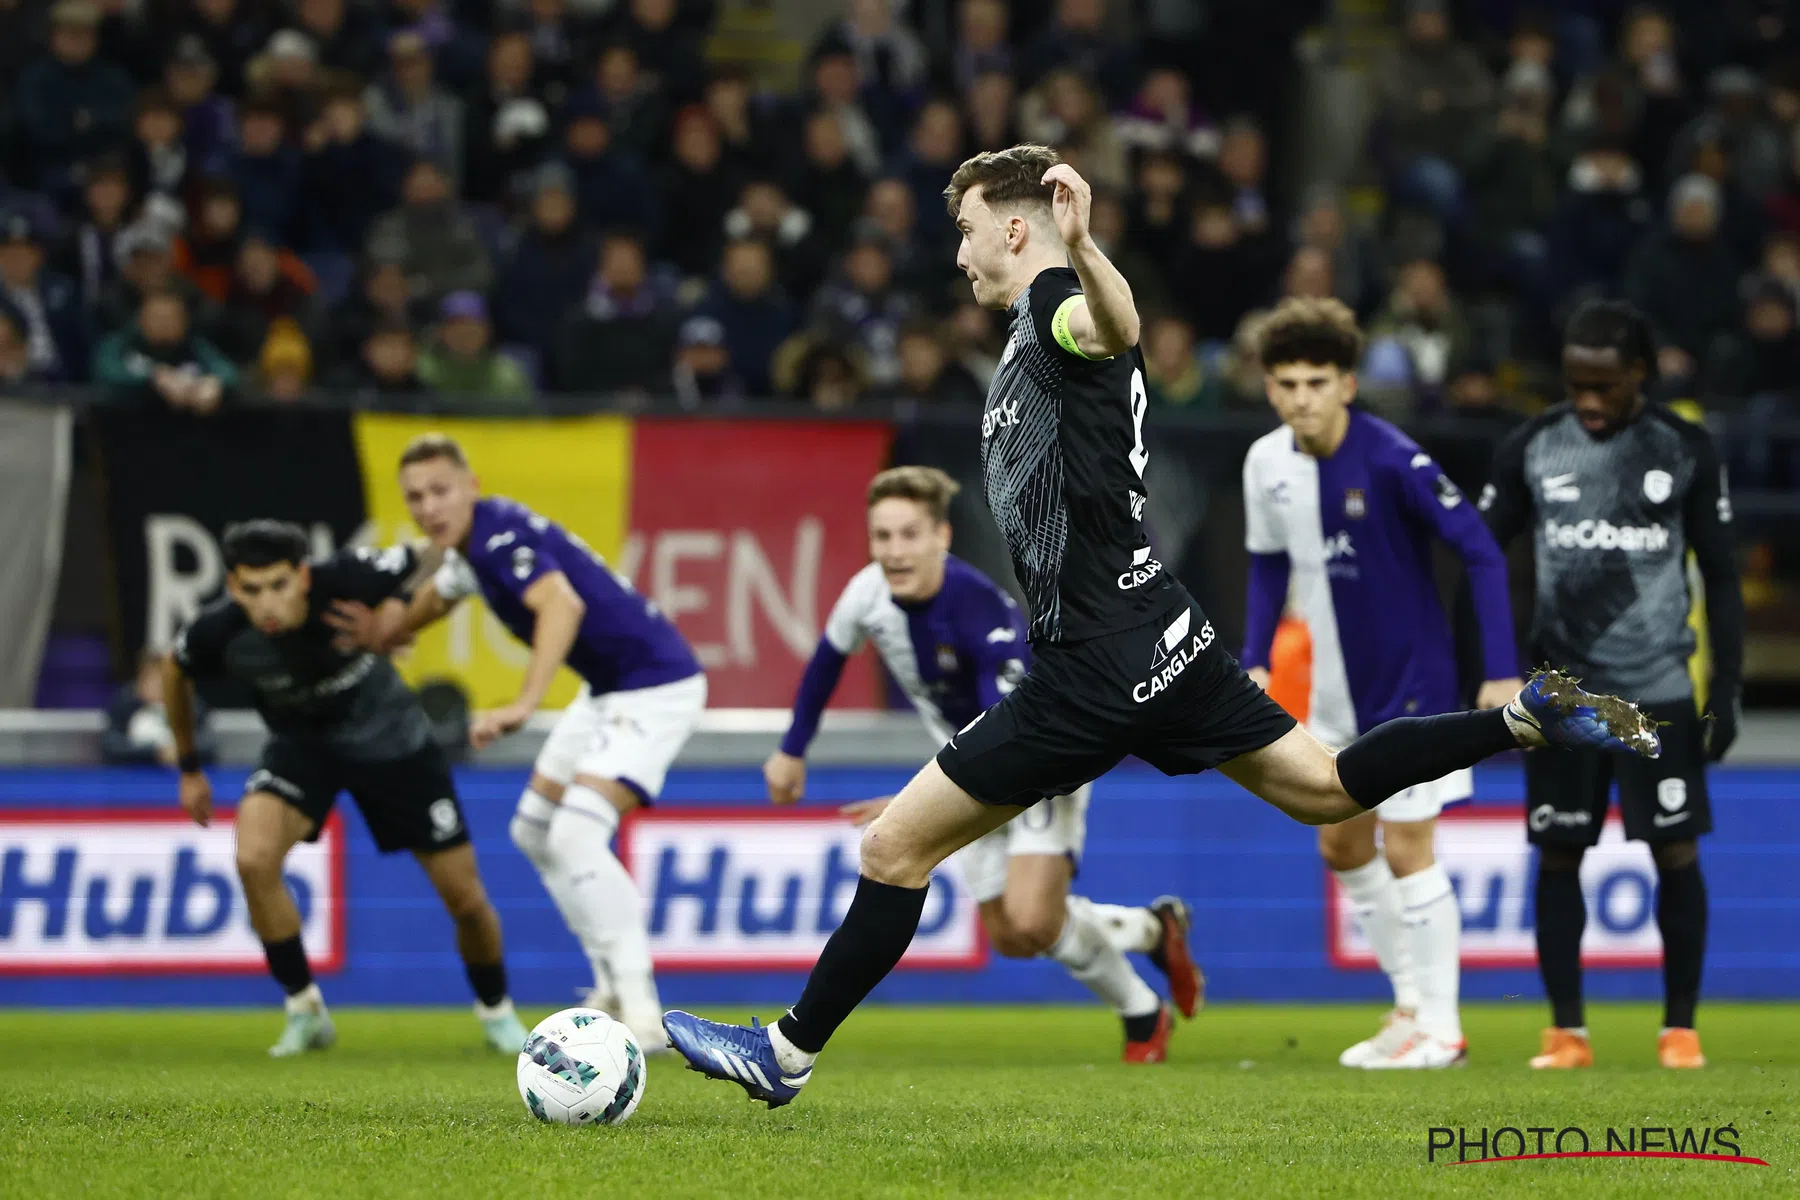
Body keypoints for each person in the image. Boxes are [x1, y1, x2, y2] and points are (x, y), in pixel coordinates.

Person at [661, 144, 1663, 1108]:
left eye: (966, 230)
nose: (958, 252)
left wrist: (1086, 246)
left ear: (1016, 228)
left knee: (892, 851)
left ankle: (784, 1054)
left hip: (1093, 661)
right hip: (1159, 631)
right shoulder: (1026, 328)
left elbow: (1114, 324)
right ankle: (1525, 721)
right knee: (1323, 789)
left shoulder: (1060, 304)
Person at [766, 466, 1202, 1062]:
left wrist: (917, 800)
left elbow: (1005, 726)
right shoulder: (866, 593)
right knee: (1012, 935)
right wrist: (792, 749)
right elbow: (824, 664)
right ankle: (1151, 929)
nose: (894, 552)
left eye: (909, 534)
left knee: (1034, 919)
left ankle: (1142, 1014)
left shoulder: (980, 613)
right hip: (965, 766)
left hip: (1041, 760)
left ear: (941, 537)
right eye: (883, 536)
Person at [331, 435, 706, 1051]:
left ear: (471, 485)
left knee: (575, 834)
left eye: (439, 491)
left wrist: (526, 701)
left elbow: (562, 604)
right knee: (533, 831)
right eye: (415, 498)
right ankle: (610, 981)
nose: (428, 508)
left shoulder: (498, 538)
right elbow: (433, 599)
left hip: (656, 685)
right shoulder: (471, 550)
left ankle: (642, 1010)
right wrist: (382, 632)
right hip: (608, 688)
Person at [1240, 297, 1522, 1069]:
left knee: (1407, 848)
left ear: (1348, 383)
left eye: (1317, 381)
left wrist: (1499, 669)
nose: (1302, 396)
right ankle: (1409, 1008)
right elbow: (1267, 565)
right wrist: (1255, 655)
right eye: (1287, 382)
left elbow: (1481, 552)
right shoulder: (1264, 463)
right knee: (1339, 844)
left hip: (1410, 688)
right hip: (1329, 694)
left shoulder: (1394, 458)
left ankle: (1444, 1028)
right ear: (1269, 388)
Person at [1477, 299, 1744, 1071]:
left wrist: (1725, 688)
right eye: (1575, 385)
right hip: (1563, 697)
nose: (1588, 404)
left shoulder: (1685, 447)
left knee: (1675, 854)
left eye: (1605, 387)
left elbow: (1723, 578)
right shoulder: (1533, 445)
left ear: (1641, 374)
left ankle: (1680, 1030)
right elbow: (1480, 556)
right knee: (1559, 854)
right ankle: (1566, 1032)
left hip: (1657, 695)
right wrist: (1495, 663)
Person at [165, 520, 529, 1057]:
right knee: (253, 859)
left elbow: (436, 554)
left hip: (394, 743)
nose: (267, 603)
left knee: (465, 897)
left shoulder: (347, 577)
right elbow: (176, 674)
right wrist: (189, 765)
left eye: (279, 586)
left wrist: (396, 606)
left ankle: (497, 1012)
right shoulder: (218, 631)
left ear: (304, 576)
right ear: (232, 585)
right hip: (302, 747)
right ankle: (304, 1008)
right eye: (251, 589)